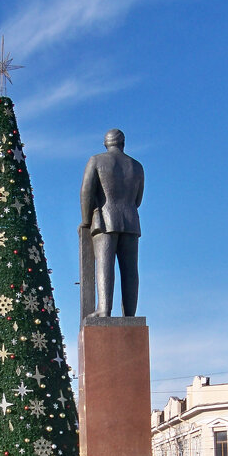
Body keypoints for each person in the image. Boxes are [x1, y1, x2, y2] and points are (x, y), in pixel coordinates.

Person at [80, 129, 144, 317]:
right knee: (130, 270)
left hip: (105, 221)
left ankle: (104, 309)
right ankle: (130, 315)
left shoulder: (96, 160)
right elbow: (138, 200)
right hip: (131, 221)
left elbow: (86, 191)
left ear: (105, 144)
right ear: (123, 143)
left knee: (105, 264)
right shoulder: (137, 166)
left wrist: (85, 221)